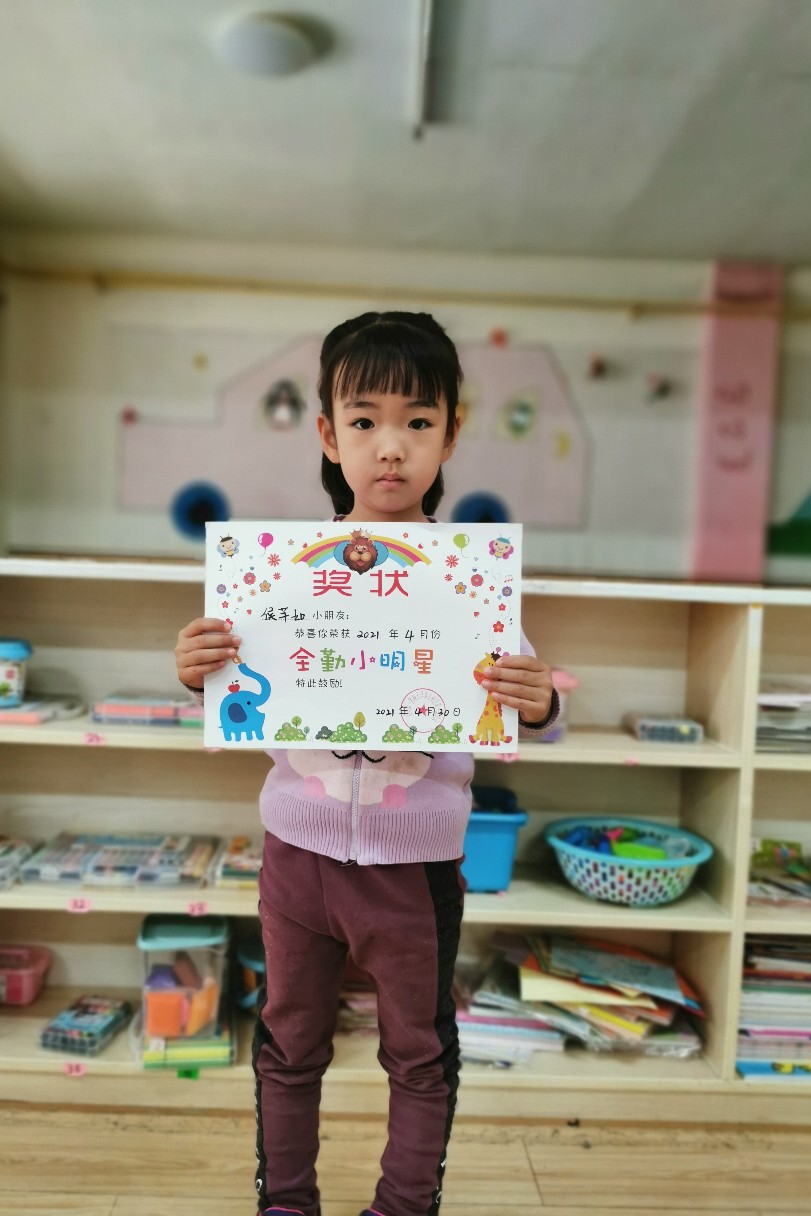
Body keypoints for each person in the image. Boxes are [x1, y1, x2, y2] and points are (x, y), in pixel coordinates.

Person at [175, 312, 558, 1216]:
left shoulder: (470, 581)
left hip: (414, 867)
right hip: (297, 856)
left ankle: (403, 1205)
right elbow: (243, 688)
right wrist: (200, 670)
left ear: (451, 435)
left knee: (418, 1051)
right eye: (365, 420)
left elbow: (524, 703)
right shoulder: (277, 576)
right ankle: (287, 1199)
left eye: (418, 421)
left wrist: (541, 700)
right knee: (289, 1040)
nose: (392, 445)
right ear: (328, 434)